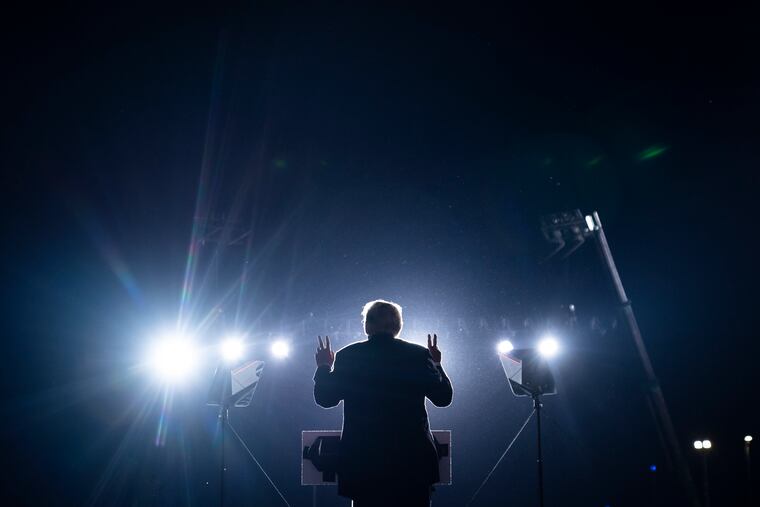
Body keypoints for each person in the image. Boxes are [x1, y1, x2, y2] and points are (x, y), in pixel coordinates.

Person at [313, 299, 453, 507]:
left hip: (364, 464)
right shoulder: (418, 355)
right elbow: (443, 399)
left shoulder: (348, 356)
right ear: (398, 327)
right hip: (412, 463)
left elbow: (325, 399)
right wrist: (437, 364)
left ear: (367, 326)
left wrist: (324, 366)